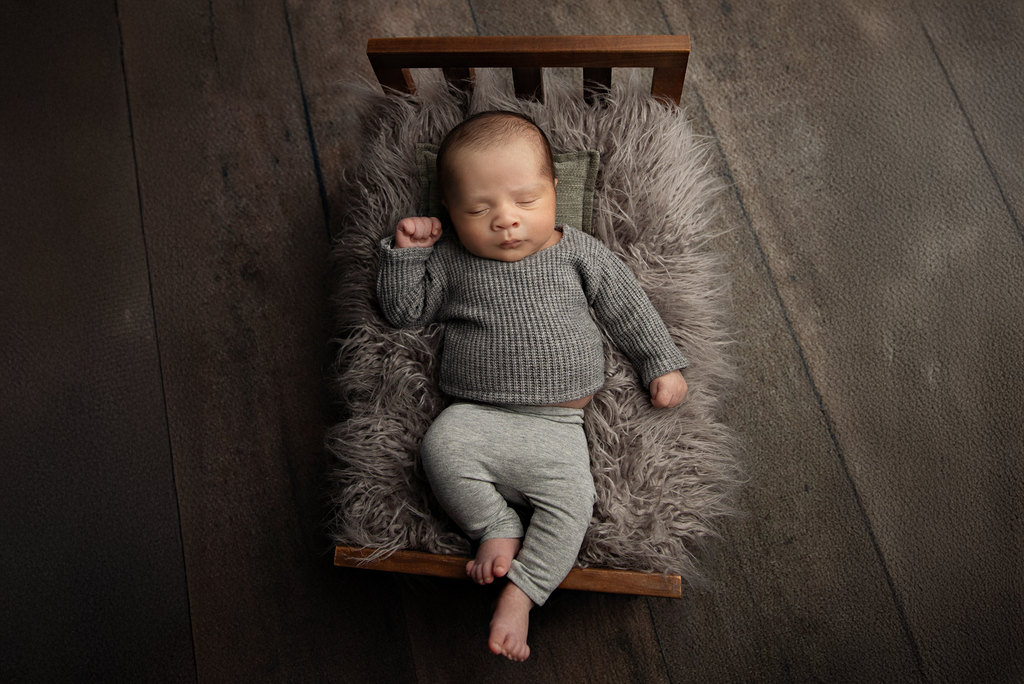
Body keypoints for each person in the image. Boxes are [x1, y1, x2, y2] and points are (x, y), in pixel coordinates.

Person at [376, 111, 688, 661]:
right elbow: (405, 314)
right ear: (450, 211)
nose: (505, 221)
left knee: (574, 503)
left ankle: (522, 594)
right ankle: (493, 525)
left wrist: (660, 362)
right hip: (478, 417)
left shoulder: (578, 250)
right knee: (439, 446)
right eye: (479, 209)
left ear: (555, 191)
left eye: (525, 201)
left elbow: (627, 307)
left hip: (557, 427)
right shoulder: (450, 260)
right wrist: (408, 255)